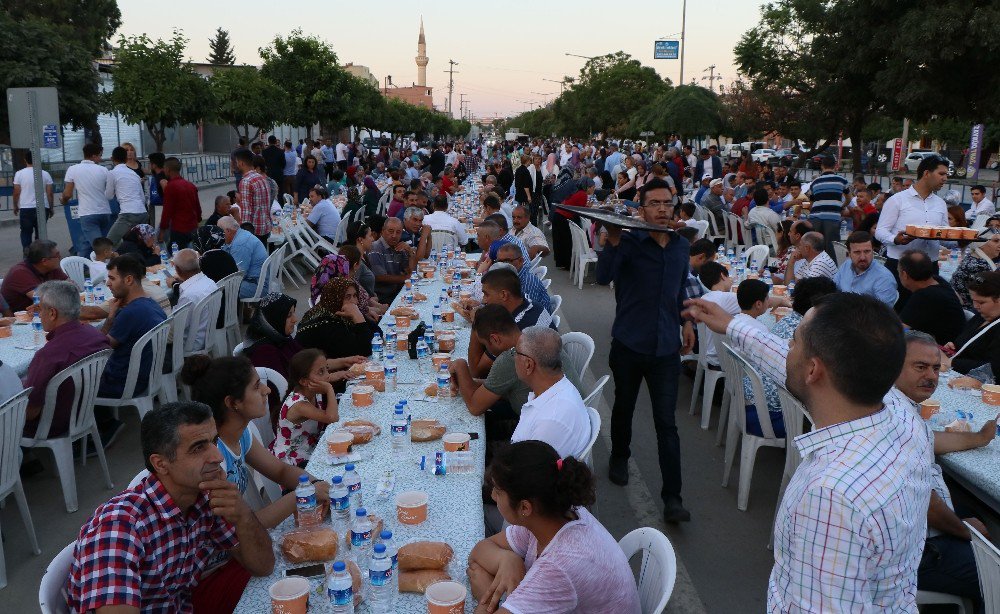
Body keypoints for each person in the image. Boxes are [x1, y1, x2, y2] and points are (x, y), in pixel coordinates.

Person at [685, 292, 932, 612]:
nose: (787, 346)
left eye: (794, 341)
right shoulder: (902, 414)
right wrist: (733, 325)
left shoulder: (830, 497)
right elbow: (789, 362)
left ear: (814, 370)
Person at [66, 402, 274, 613]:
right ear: (160, 464)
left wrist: (243, 515)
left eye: (214, 441)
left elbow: (263, 566)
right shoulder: (118, 526)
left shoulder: (204, 497)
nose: (218, 456)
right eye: (198, 448)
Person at [596, 177, 693, 523]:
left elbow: (680, 289)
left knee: (667, 423)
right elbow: (601, 276)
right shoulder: (630, 242)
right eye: (655, 203)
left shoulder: (681, 246)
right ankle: (619, 455)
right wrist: (613, 240)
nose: (663, 209)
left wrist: (686, 321)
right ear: (641, 209)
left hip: (666, 349)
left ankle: (673, 498)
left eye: (668, 203)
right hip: (629, 343)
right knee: (623, 406)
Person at [467, 440, 641, 614]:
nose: (492, 496)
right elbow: (480, 550)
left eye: (497, 491)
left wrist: (486, 600)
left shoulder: (559, 565)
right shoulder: (551, 512)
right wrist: (506, 559)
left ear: (525, 507)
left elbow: (478, 559)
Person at [885, 332, 993, 610]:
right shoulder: (901, 424)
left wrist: (980, 437)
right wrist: (966, 532)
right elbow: (929, 506)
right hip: (916, 556)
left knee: (974, 513)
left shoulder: (895, 405)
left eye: (935, 368)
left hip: (910, 535)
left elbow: (931, 441)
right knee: (994, 575)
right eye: (920, 367)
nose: (931, 376)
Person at [181, 355, 330, 529]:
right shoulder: (213, 458)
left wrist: (315, 484)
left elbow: (280, 470)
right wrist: (303, 494)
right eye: (256, 386)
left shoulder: (242, 433)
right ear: (232, 402)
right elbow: (245, 525)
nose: (266, 390)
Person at [450, 305, 584, 417]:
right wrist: (470, 381)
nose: (487, 349)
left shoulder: (511, 358)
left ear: (495, 339)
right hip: (575, 412)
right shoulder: (538, 338)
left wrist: (460, 365)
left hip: (544, 429)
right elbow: (500, 383)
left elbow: (475, 407)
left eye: (485, 344)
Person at [22, 281, 110, 438]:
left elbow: (30, 413)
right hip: (84, 412)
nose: (39, 315)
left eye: (39, 309)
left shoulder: (48, 355)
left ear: (52, 313)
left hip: (50, 425)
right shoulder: (95, 335)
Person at [96, 255, 168, 436]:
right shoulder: (151, 304)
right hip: (146, 376)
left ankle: (103, 429)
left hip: (124, 383)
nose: (107, 284)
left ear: (128, 280)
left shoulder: (130, 313)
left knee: (71, 380)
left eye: (112, 278)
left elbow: (98, 348)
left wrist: (110, 317)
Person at [508, 327, 591, 458]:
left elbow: (529, 474)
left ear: (528, 364)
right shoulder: (555, 389)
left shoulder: (550, 420)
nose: (513, 357)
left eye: (515, 352)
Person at [874, 154, 950, 288]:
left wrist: (961, 239)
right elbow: (880, 231)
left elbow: (944, 235)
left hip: (930, 266)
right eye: (941, 174)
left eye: (946, 174)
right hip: (901, 266)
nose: (945, 178)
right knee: (898, 307)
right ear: (926, 173)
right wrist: (895, 239)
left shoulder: (940, 203)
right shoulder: (897, 200)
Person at [271, 348, 340, 467]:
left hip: (310, 450)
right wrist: (329, 389)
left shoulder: (312, 391)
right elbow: (332, 417)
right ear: (303, 381)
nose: (327, 376)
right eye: (321, 372)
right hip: (293, 462)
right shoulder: (299, 405)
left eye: (327, 369)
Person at [295, 277, 372, 361]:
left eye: (355, 295)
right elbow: (365, 350)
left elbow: (376, 334)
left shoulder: (340, 312)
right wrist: (358, 317)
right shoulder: (326, 322)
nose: (354, 301)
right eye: (347, 297)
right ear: (335, 298)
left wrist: (359, 316)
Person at [898, 250, 966, 345]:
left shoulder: (925, 296)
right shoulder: (937, 280)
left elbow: (897, 331)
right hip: (957, 338)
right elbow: (960, 301)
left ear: (904, 275)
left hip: (947, 348)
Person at [945, 271, 1000, 376]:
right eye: (974, 301)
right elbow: (968, 344)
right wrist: (953, 349)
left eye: (981, 302)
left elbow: (994, 368)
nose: (975, 306)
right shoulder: (982, 316)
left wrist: (952, 362)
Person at [62, 143, 110, 258]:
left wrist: (63, 200)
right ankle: (82, 266)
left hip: (87, 213)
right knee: (87, 242)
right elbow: (110, 191)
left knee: (98, 245)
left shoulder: (73, 169)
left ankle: (101, 269)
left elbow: (67, 193)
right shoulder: (104, 170)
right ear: (93, 156)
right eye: (100, 155)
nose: (101, 158)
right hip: (104, 212)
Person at [164, 249, 218, 352]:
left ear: (178, 270)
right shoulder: (209, 282)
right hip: (207, 337)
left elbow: (175, 330)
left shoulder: (188, 295)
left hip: (190, 346)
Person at [833, 231, 899, 306]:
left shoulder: (884, 278)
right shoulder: (846, 265)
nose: (862, 257)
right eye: (857, 252)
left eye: (867, 251)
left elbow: (882, 314)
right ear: (849, 253)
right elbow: (834, 291)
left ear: (873, 251)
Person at [1, 239, 68, 312]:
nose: (60, 257)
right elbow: (43, 299)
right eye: (57, 255)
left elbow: (72, 288)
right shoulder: (20, 273)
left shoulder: (51, 268)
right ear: (44, 261)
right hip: (21, 319)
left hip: (45, 313)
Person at [479, 267, 554, 330]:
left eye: (486, 294)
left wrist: (476, 322)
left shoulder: (521, 326)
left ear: (504, 295)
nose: (484, 300)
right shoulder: (526, 301)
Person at [804, 155, 849, 256]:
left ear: (822, 166)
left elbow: (811, 203)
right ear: (835, 166)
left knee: (815, 247)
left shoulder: (815, 182)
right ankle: (831, 270)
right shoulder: (841, 180)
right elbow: (849, 198)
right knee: (831, 248)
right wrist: (841, 206)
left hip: (815, 218)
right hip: (832, 217)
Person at [105, 146, 149, 247]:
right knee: (140, 243)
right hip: (143, 213)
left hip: (127, 214)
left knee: (108, 243)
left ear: (112, 159)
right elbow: (142, 198)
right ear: (126, 159)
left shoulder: (112, 173)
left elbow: (109, 196)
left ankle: (114, 261)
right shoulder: (134, 174)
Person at [12, 151, 55, 249]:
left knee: (26, 232)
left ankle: (27, 254)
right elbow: (49, 193)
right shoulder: (45, 174)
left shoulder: (19, 174)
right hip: (43, 207)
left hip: (26, 208)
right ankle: (39, 254)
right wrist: (51, 207)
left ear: (25, 160)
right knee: (40, 233)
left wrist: (15, 206)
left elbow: (16, 192)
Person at [218, 216, 268, 299]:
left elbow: (237, 276)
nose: (219, 236)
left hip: (256, 286)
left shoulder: (240, 244)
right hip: (258, 281)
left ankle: (232, 312)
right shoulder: (242, 234)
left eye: (220, 232)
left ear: (228, 231)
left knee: (215, 292)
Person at [367, 216, 416, 301]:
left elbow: (410, 271)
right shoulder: (375, 248)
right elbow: (380, 277)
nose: (394, 235)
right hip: (383, 298)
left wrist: (410, 253)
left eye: (398, 232)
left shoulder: (399, 247)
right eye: (391, 231)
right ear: (383, 231)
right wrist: (407, 278)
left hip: (398, 293)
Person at [159, 156, 202, 250]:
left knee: (176, 256)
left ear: (168, 169)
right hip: (193, 227)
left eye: (164, 168)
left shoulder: (170, 187)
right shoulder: (191, 185)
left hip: (179, 229)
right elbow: (197, 207)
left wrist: (162, 231)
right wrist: (198, 220)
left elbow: (167, 212)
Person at [495, 243, 552, 312]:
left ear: (520, 261)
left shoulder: (527, 283)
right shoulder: (511, 277)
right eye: (499, 261)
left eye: (507, 261)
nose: (502, 265)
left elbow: (525, 313)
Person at [951, 230, 1000, 310]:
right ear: (981, 244)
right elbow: (990, 293)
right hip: (970, 309)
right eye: (996, 241)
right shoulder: (979, 266)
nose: (999, 245)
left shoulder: (973, 257)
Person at [235, 149, 271, 243]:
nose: (236, 165)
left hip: (254, 231)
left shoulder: (246, 181)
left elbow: (247, 211)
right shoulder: (261, 178)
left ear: (241, 163)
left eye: (237, 162)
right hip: (265, 227)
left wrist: (245, 235)